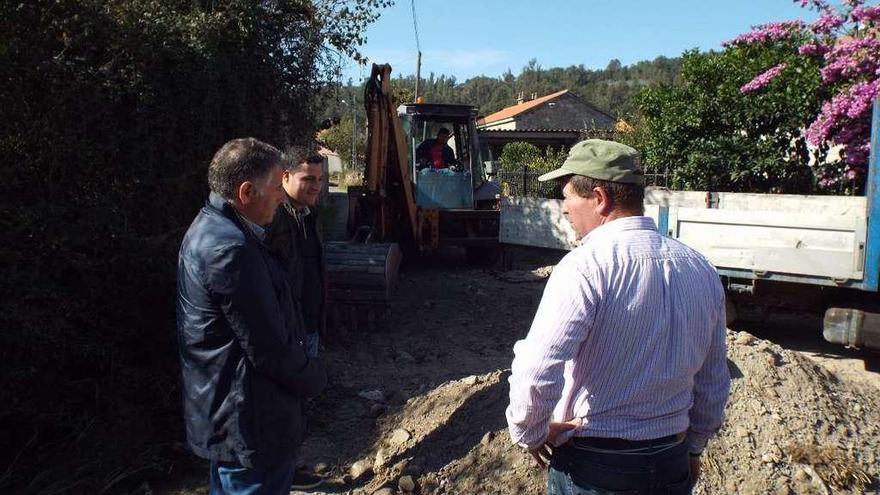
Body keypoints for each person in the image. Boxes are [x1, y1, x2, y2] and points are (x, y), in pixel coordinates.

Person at [505, 139, 730, 495]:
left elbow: (538, 368)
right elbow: (714, 376)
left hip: (596, 466)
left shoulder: (586, 267)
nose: (564, 209)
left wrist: (530, 432)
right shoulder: (699, 266)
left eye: (568, 197)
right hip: (672, 460)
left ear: (599, 198)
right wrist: (695, 445)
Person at [177, 138, 326, 495]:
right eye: (277, 187)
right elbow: (268, 347)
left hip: (236, 413)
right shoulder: (230, 249)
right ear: (246, 191)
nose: (280, 196)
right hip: (250, 418)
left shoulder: (217, 228)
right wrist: (313, 375)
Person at [266, 147, 326, 490]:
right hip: (286, 330)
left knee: (297, 408)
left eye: (319, 179)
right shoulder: (273, 220)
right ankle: (279, 473)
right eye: (308, 179)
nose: (316, 186)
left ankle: (293, 467)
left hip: (309, 325)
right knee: (281, 406)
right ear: (285, 177)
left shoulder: (308, 215)